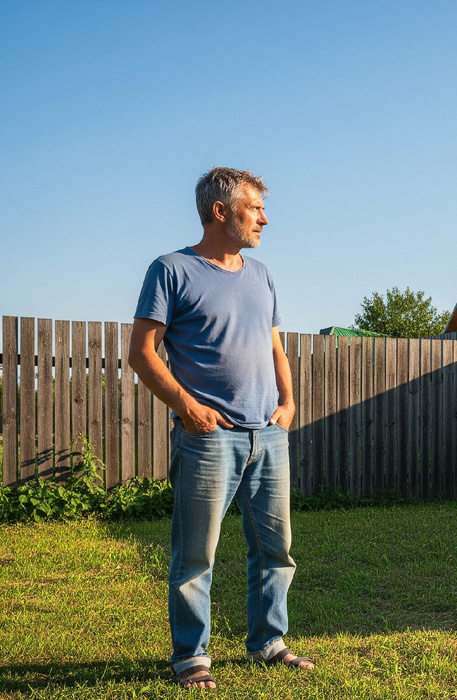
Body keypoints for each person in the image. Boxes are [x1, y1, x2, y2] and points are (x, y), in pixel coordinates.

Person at [128, 167, 314, 689]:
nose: (265, 218)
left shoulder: (261, 274)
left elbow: (275, 346)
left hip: (268, 436)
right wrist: (188, 406)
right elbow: (142, 353)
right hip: (209, 439)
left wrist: (290, 403)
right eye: (255, 208)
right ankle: (192, 656)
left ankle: (269, 642)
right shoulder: (171, 270)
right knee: (195, 556)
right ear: (221, 210)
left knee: (276, 551)